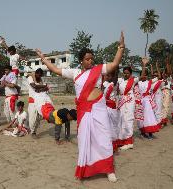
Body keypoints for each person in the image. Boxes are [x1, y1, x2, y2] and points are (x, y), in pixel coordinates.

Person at [35, 31, 125, 182]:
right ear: (81, 61)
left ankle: (108, 169)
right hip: (84, 110)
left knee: (103, 136)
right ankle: (87, 167)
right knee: (85, 139)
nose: (90, 61)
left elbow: (115, 64)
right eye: (87, 59)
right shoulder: (75, 72)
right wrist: (43, 59)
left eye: (92, 58)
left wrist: (121, 47)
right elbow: (55, 70)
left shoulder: (99, 69)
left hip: (99, 107)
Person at [136, 58, 161, 139]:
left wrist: (156, 67)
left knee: (149, 117)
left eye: (146, 75)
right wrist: (144, 65)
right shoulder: (138, 83)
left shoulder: (149, 82)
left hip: (147, 102)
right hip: (140, 102)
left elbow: (159, 77)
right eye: (143, 74)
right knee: (141, 118)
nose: (144, 76)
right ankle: (143, 132)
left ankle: (150, 133)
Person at [117, 66, 139, 150]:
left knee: (128, 120)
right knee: (121, 120)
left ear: (131, 74)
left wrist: (144, 65)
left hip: (129, 101)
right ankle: (122, 140)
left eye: (127, 73)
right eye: (124, 73)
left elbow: (142, 76)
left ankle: (129, 142)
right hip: (122, 101)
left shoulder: (133, 80)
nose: (126, 74)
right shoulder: (121, 80)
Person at [27, 68, 49, 138]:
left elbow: (40, 90)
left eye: (40, 75)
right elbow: (34, 86)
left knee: (38, 117)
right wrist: (44, 86)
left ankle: (34, 131)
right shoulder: (30, 78)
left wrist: (44, 88)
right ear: (36, 73)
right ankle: (32, 132)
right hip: (32, 101)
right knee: (32, 117)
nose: (39, 76)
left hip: (39, 101)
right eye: (38, 75)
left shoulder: (41, 80)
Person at [102, 72, 121, 151]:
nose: (108, 77)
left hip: (112, 107)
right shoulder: (104, 84)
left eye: (110, 76)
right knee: (106, 126)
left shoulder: (114, 84)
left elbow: (115, 81)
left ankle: (114, 146)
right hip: (104, 107)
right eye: (107, 75)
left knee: (113, 126)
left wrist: (115, 68)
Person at [150, 61, 165, 126]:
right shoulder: (151, 82)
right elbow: (152, 74)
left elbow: (159, 76)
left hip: (158, 96)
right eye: (154, 75)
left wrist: (157, 67)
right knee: (153, 109)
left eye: (156, 75)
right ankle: (154, 122)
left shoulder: (161, 81)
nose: (155, 76)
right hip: (152, 96)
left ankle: (159, 123)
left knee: (158, 109)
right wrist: (151, 67)